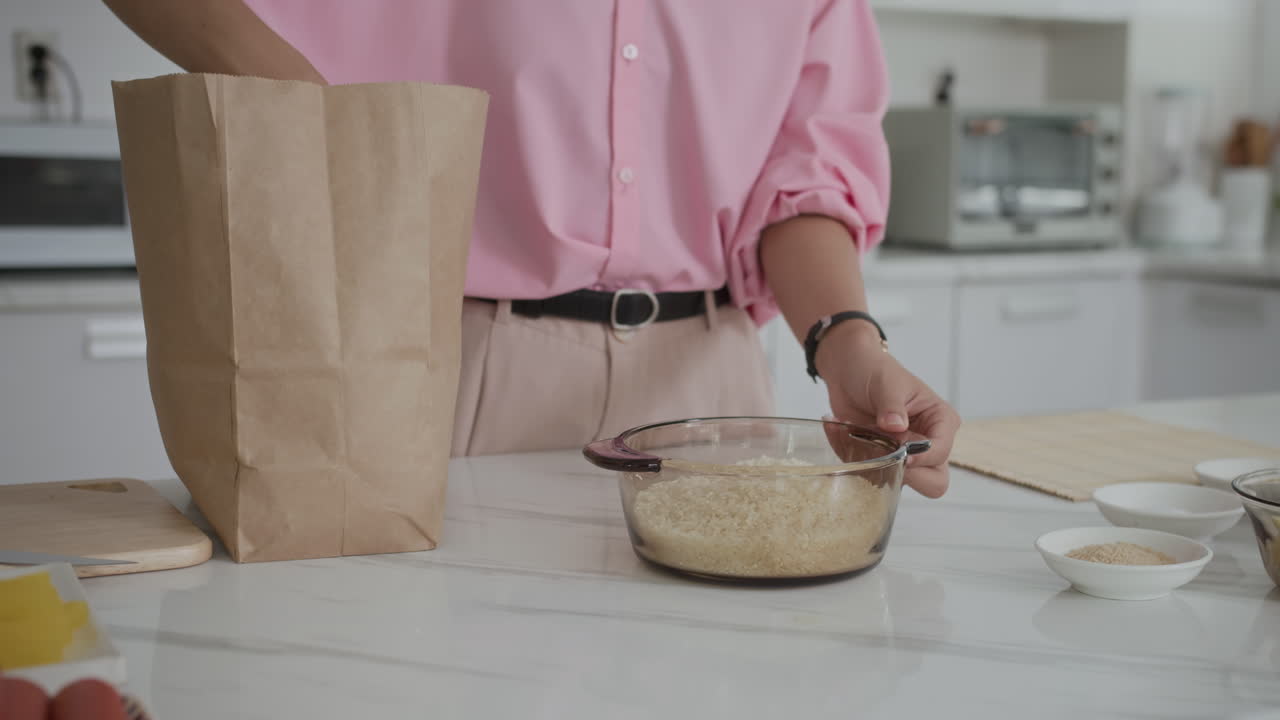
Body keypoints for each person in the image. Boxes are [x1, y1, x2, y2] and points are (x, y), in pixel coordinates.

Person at [103, 0, 960, 497]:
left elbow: (798, 181)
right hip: (453, 365)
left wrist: (847, 345)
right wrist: (329, 122)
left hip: (714, 381)